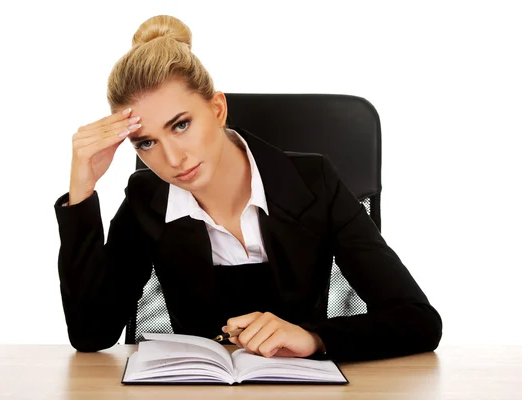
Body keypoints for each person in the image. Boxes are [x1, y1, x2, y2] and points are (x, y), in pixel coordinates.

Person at [54, 15, 442, 362]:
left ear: (218, 109)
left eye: (181, 125)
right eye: (146, 143)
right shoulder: (147, 200)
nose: (172, 159)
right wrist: (82, 189)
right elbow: (91, 333)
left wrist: (314, 338)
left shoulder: (314, 183)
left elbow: (418, 320)